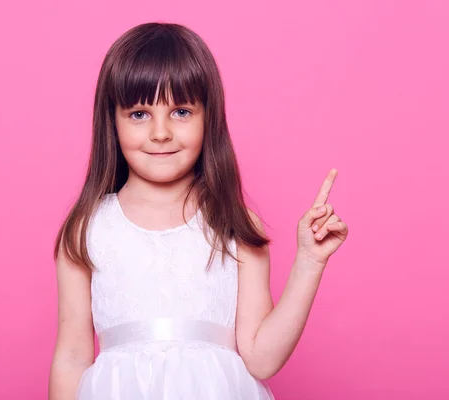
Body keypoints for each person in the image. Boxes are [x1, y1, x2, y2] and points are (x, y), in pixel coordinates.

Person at [48, 22, 348, 400]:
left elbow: (262, 359)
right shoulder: (86, 230)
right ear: (113, 121)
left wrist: (309, 261)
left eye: (181, 111)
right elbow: (72, 356)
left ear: (210, 117)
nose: (160, 133)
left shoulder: (234, 225)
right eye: (139, 114)